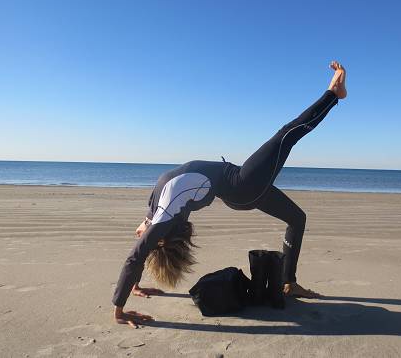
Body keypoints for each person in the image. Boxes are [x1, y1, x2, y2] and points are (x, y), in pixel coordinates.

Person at [113, 61, 347, 326]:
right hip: (242, 186)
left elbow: (143, 245)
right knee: (286, 135)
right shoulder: (166, 210)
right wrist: (119, 311)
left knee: (297, 218)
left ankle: (288, 283)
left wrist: (135, 285)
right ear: (165, 232)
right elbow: (138, 253)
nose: (142, 231)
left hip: (240, 189)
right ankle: (333, 95)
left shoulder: (156, 206)